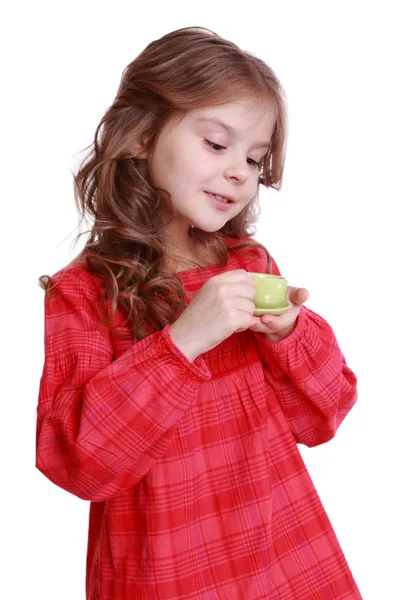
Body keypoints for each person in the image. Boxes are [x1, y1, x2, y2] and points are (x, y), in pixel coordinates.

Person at [35, 26, 362, 600]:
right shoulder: (83, 293)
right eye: (216, 144)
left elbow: (322, 417)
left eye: (255, 158)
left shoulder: (248, 265)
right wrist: (181, 343)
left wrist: (290, 333)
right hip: (170, 575)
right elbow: (78, 464)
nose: (240, 171)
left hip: (283, 559)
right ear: (140, 137)